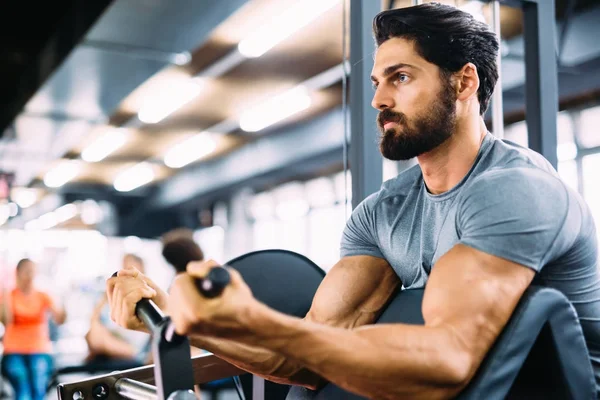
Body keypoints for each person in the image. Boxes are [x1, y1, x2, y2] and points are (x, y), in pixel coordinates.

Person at [105, 3, 600, 399]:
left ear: (464, 82)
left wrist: (254, 320)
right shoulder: (382, 213)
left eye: (400, 77)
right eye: (376, 82)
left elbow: (447, 361)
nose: (378, 100)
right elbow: (308, 357)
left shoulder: (516, 191)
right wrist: (184, 322)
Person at [0, 258, 66, 400]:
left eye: (32, 272)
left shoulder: (42, 295)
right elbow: (6, 321)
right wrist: (5, 295)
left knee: (38, 380)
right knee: (22, 383)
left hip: (39, 350)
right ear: (17, 273)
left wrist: (62, 299)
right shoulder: (8, 296)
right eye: (26, 272)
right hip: (13, 351)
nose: (30, 276)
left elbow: (60, 319)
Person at [85, 254, 149, 364]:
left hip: (133, 349)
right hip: (114, 341)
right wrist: (104, 298)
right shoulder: (112, 297)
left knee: (95, 335)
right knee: (93, 333)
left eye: (131, 267)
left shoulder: (145, 295)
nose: (125, 273)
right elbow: (94, 322)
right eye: (124, 267)